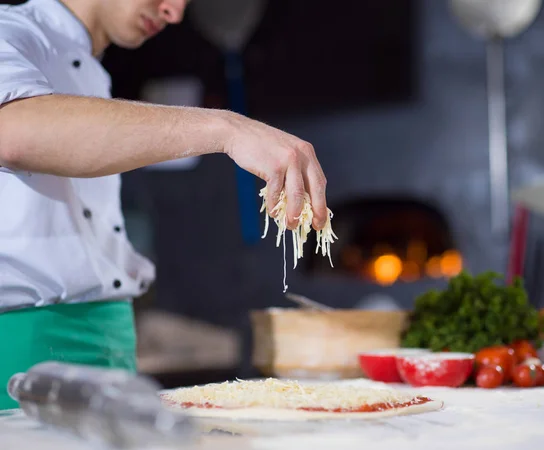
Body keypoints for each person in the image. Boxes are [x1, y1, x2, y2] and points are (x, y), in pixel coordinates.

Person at [0, 0, 328, 410]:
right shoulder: (8, 32)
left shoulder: (93, 71)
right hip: (21, 353)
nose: (175, 12)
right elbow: (14, 130)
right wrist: (227, 128)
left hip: (109, 345)